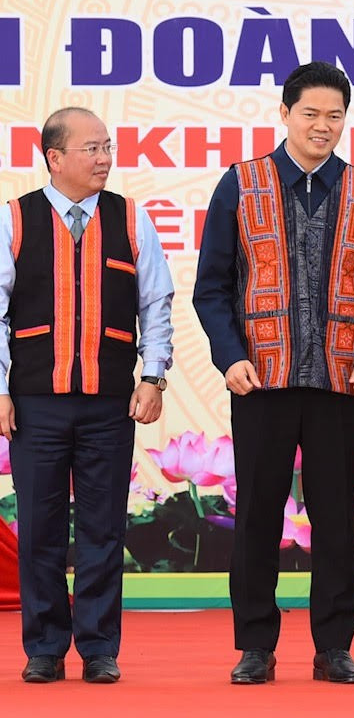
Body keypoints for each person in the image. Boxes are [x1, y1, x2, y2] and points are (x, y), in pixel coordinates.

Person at [193, 61, 354, 685]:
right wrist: (230, 356)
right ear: (284, 113)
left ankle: (333, 645)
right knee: (257, 513)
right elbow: (213, 287)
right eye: (310, 113)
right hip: (260, 380)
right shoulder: (241, 184)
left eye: (334, 116)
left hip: (343, 381)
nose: (323, 126)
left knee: (338, 517)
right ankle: (255, 644)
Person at [0, 107, 174, 683]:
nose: (105, 159)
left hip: (108, 404)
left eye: (108, 147)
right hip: (35, 402)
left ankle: (100, 647)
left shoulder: (131, 218)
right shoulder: (15, 220)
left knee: (104, 528)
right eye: (92, 149)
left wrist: (152, 377)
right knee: (41, 528)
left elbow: (156, 304)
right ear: (55, 157)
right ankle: (44, 648)